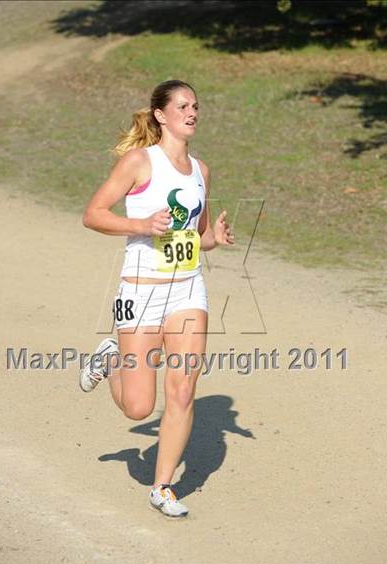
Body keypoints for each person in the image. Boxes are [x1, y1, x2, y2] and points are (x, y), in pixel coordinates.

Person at [79, 79, 234, 518]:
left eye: (197, 106)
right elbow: (93, 215)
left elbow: (196, 236)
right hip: (141, 292)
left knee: (183, 389)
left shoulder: (201, 171)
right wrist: (142, 225)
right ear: (161, 115)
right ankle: (110, 361)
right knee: (138, 407)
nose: (192, 112)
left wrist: (214, 239)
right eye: (183, 105)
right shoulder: (138, 162)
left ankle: (163, 487)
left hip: (188, 290)